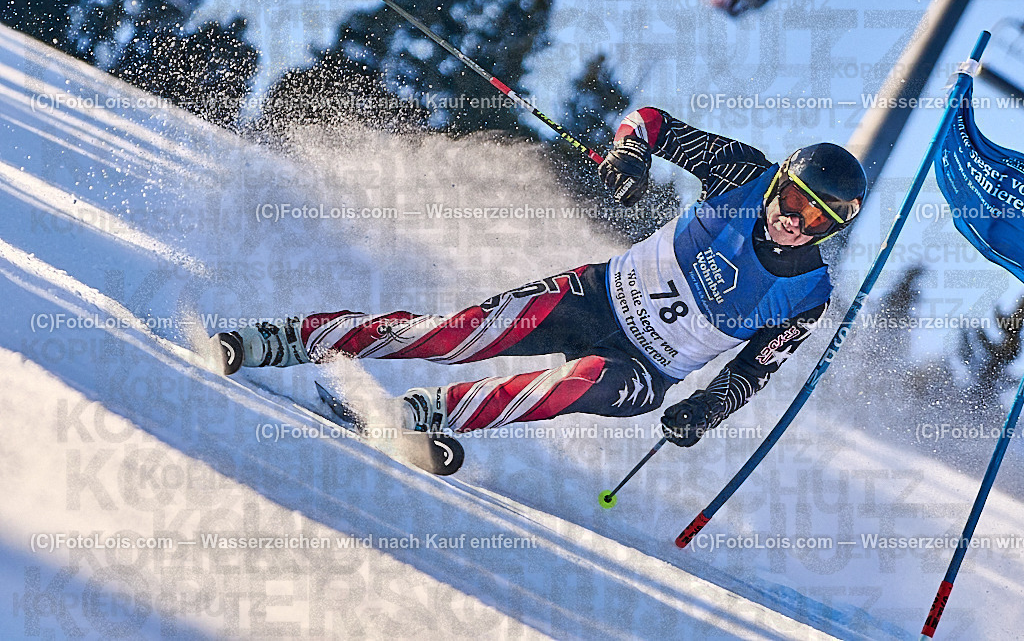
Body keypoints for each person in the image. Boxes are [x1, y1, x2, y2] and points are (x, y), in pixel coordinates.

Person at [213, 106, 866, 449]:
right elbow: (652, 123)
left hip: (643, 372)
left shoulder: (806, 297)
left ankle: (414, 416)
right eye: (797, 200)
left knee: (568, 383)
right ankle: (286, 337)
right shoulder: (740, 171)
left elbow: (753, 371)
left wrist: (705, 409)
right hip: (593, 295)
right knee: (452, 336)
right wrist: (629, 152)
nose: (798, 222)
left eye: (822, 219)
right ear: (779, 181)